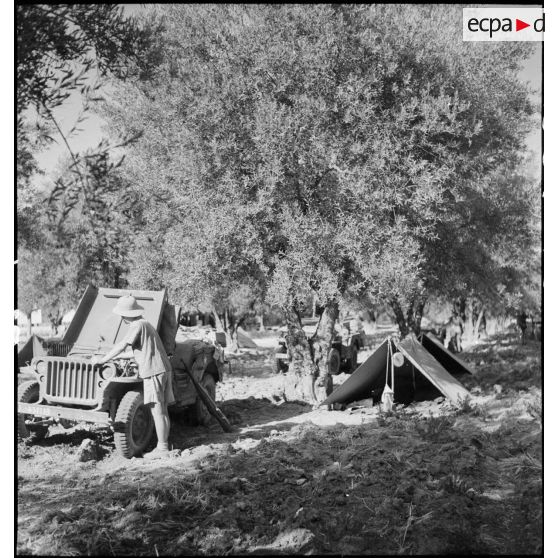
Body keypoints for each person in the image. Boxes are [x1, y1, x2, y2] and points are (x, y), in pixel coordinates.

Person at [92, 295, 175, 459]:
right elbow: (139, 350)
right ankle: (164, 445)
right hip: (163, 369)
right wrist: (117, 357)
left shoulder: (136, 325)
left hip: (153, 371)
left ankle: (163, 449)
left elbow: (123, 345)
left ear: (124, 315)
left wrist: (102, 360)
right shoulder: (145, 324)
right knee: (163, 410)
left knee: (157, 411)